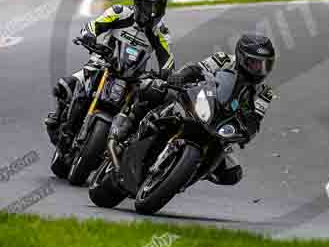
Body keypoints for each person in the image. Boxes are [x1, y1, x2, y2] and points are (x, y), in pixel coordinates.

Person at [108, 33, 276, 185]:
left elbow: (255, 119)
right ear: (241, 57)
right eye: (255, 63)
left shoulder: (264, 92)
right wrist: (181, 76)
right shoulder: (223, 60)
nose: (259, 70)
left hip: (221, 126)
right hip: (199, 101)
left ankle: (192, 172)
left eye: (264, 65)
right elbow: (198, 68)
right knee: (154, 90)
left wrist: (246, 132)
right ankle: (126, 127)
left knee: (233, 174)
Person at [45, 0, 175, 149]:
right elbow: (94, 25)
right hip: (102, 62)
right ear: (137, 3)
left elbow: (167, 59)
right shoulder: (119, 13)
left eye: (156, 7)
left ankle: (124, 144)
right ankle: (59, 121)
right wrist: (89, 35)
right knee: (66, 86)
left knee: (148, 101)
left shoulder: (161, 32)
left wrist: (167, 74)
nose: (152, 12)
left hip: (134, 77)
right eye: (148, 6)